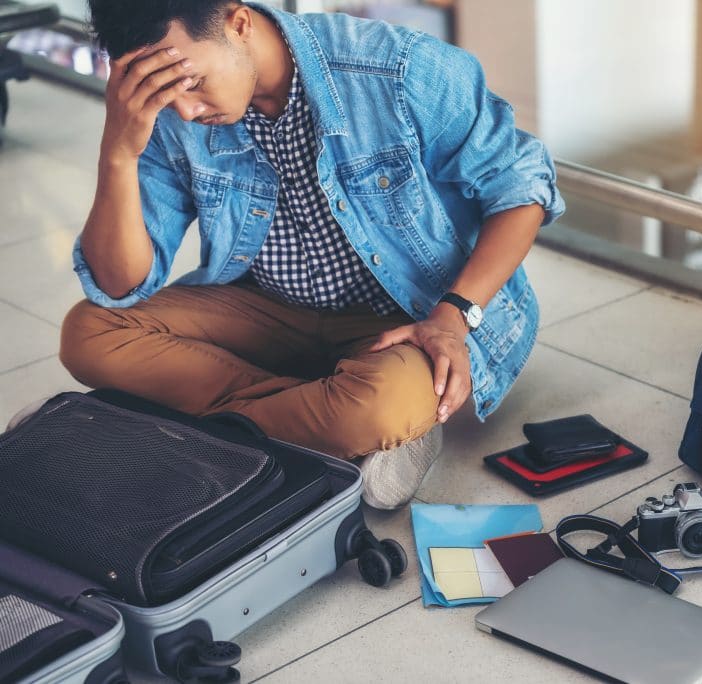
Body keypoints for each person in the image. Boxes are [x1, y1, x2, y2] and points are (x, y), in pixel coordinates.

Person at [58, 1, 565, 509]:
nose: (186, 111)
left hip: (408, 318)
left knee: (380, 405)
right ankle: (311, 420)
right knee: (89, 333)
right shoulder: (170, 111)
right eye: (166, 95)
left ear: (238, 23)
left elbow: (523, 191)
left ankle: (228, 429)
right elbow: (119, 284)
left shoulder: (401, 67)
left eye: (192, 84)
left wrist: (455, 314)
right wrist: (118, 153)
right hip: (270, 308)